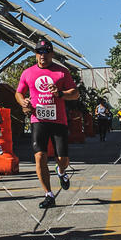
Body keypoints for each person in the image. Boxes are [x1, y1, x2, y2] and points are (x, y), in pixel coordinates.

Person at [15, 38, 79, 208]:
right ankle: (49, 194)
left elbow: (75, 94)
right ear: (36, 54)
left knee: (62, 159)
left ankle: (61, 171)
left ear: (51, 54)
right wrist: (23, 102)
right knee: (40, 157)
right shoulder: (27, 73)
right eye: (39, 52)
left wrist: (60, 94)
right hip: (38, 120)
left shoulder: (62, 72)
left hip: (58, 120)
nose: (42, 55)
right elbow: (19, 92)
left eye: (46, 52)